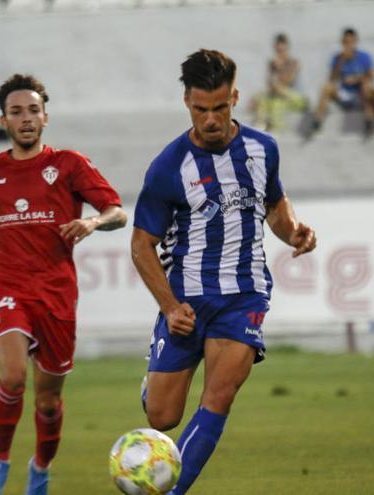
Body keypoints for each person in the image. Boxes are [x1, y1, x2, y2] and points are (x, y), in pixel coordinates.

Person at [130, 49, 317, 495]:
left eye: (220, 108)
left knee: (219, 396)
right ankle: (153, 382)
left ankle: (172, 490)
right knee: (162, 416)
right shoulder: (168, 167)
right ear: (186, 103)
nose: (211, 119)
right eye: (201, 109)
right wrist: (169, 306)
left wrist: (292, 233)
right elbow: (141, 245)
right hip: (187, 302)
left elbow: (273, 204)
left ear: (235, 97)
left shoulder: (262, 149)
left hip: (244, 296)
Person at [0, 74, 126, 495]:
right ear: (4, 121)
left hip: (57, 293)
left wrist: (93, 220)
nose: (25, 118)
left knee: (47, 402)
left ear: (45, 117)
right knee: (12, 377)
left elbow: (117, 211)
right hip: (7, 284)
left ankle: (40, 469)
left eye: (32, 110)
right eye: (16, 112)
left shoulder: (69, 164)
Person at [310, 27, 374, 137]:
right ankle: (317, 120)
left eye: (351, 42)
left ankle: (369, 121)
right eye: (346, 42)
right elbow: (331, 79)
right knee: (326, 87)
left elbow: (371, 75)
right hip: (343, 94)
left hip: (360, 95)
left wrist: (356, 79)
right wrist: (341, 61)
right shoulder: (337, 58)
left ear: (356, 41)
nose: (348, 44)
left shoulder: (364, 57)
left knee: (366, 86)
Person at [251, 33, 307, 132]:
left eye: (282, 50)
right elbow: (269, 84)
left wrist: (280, 68)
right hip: (277, 96)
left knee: (275, 103)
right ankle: (261, 127)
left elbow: (288, 81)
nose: (280, 53)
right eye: (278, 51)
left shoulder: (294, 62)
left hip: (294, 97)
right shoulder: (272, 63)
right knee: (262, 100)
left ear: (287, 48)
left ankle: (274, 129)